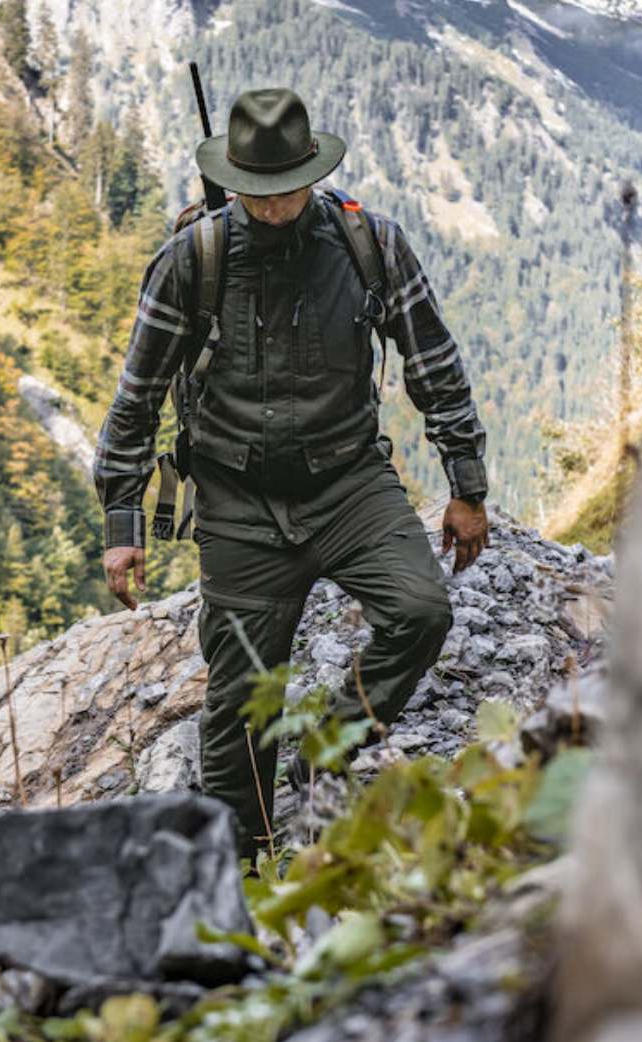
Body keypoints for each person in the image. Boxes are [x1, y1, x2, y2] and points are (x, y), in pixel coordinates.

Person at [93, 86, 489, 859]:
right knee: (240, 701)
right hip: (237, 498)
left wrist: (467, 486)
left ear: (314, 171)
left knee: (420, 612)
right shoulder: (191, 261)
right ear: (234, 181)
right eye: (257, 191)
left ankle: (326, 755)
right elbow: (136, 395)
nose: (274, 206)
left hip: (349, 484)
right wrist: (122, 523)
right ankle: (246, 869)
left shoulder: (370, 244)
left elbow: (434, 364)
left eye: (287, 189)